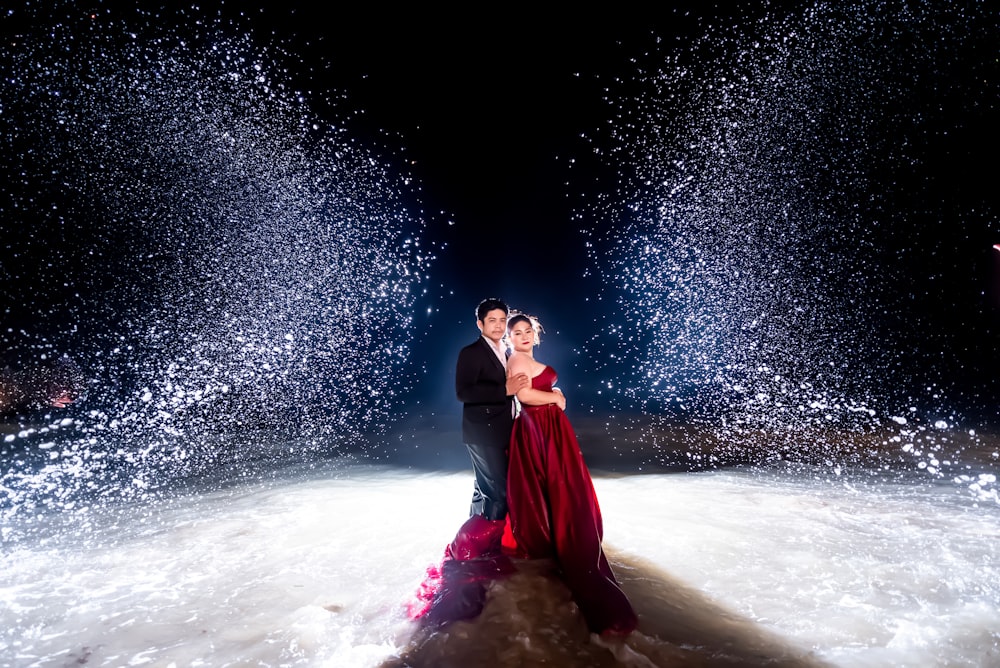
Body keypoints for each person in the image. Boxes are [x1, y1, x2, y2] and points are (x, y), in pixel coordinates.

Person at [505, 312, 638, 636]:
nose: (522, 336)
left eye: (527, 331)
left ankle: (562, 536)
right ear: (509, 339)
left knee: (560, 486)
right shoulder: (516, 361)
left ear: (536, 334)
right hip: (539, 428)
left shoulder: (528, 360)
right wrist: (556, 398)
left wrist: (556, 391)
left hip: (549, 428)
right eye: (516, 333)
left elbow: (539, 384)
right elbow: (523, 397)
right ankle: (564, 542)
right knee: (556, 486)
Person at [447, 298, 529, 559]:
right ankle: (488, 552)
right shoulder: (471, 352)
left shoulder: (505, 351)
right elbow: (463, 392)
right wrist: (504, 390)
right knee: (499, 493)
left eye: (502, 320)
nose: (498, 325)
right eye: (492, 320)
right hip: (482, 431)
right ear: (480, 323)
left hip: (502, 430)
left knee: (483, 489)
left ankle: (470, 544)